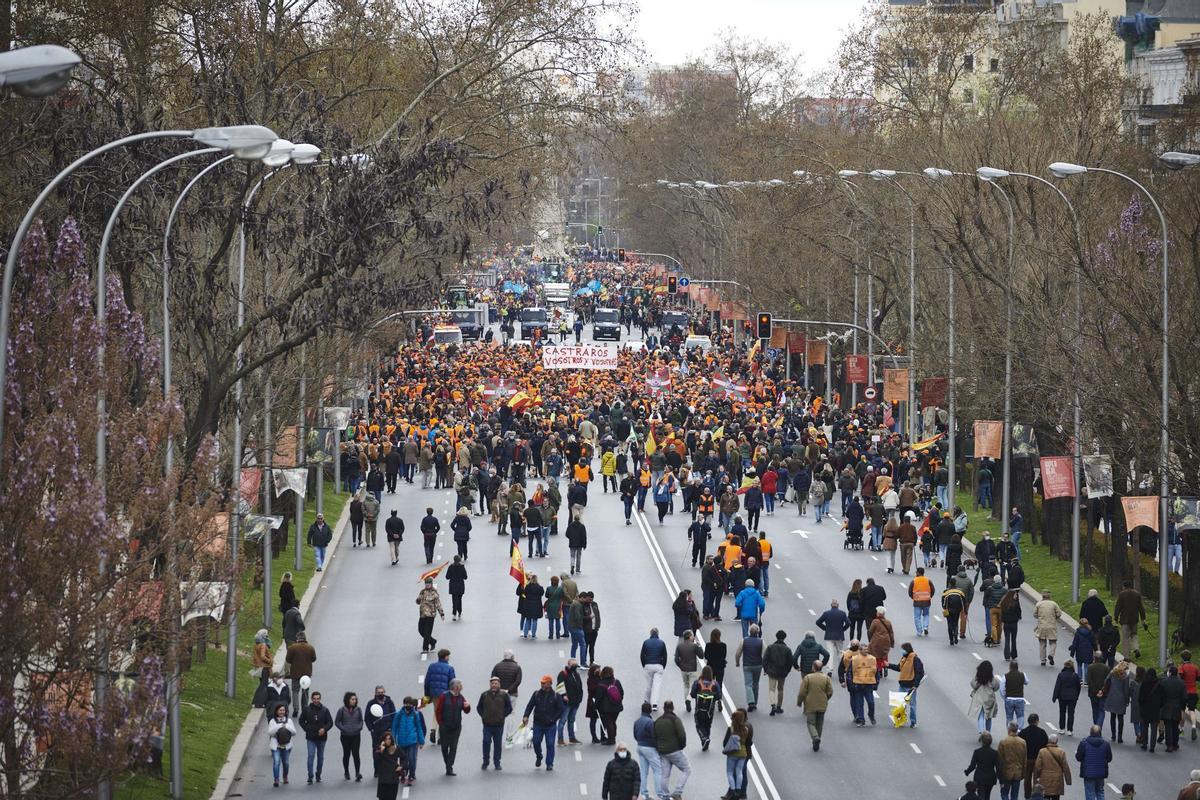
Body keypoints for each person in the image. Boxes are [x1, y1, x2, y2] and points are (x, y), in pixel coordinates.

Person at [523, 675, 566, 771]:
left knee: (550, 744)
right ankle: (539, 756)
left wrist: (553, 719)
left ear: (550, 683)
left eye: (544, 683)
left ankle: (549, 763)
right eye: (541, 683)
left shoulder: (556, 696)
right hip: (538, 724)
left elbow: (561, 710)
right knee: (536, 742)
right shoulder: (536, 694)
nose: (542, 684)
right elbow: (530, 706)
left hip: (550, 725)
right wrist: (526, 716)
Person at [652, 699, 690, 798]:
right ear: (673, 708)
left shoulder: (658, 721)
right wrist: (681, 746)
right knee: (687, 769)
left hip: (662, 752)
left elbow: (654, 737)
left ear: (663, 708)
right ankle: (677, 792)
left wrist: (658, 748)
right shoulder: (675, 720)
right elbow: (682, 735)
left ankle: (665, 795)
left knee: (665, 775)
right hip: (674, 750)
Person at [433, 679, 470, 776]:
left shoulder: (461, 697)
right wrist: (440, 723)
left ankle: (449, 766)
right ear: (454, 686)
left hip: (456, 726)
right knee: (444, 747)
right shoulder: (444, 696)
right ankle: (448, 765)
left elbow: (466, 711)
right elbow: (438, 711)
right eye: (459, 684)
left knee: (453, 747)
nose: (461, 686)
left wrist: (467, 706)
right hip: (445, 726)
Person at [796, 658, 833, 751]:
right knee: (819, 724)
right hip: (822, 704)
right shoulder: (826, 678)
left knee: (811, 723)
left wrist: (799, 702)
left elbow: (802, 692)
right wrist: (825, 698)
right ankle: (817, 740)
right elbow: (830, 691)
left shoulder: (808, 678)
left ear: (813, 667)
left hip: (810, 704)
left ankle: (815, 737)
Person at [477, 676, 512, 770]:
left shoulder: (504, 695)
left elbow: (509, 708)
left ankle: (497, 763)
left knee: (497, 744)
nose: (494, 685)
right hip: (487, 725)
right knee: (486, 742)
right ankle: (485, 761)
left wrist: (502, 715)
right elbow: (479, 707)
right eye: (492, 683)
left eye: (496, 683)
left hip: (499, 725)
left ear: (499, 685)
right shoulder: (484, 695)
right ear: (490, 684)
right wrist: (483, 716)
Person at [422, 648, 455, 744]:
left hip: (434, 694)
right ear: (446, 657)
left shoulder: (432, 666)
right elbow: (452, 683)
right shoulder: (450, 668)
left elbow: (427, 681)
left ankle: (433, 729)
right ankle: (441, 736)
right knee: (443, 714)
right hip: (445, 695)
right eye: (448, 656)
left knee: (436, 711)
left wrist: (427, 695)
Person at [299, 690, 333, 784]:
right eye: (314, 699)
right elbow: (301, 720)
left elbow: (330, 722)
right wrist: (307, 729)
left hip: (322, 738)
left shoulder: (325, 710)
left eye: (318, 699)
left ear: (320, 699)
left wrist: (324, 729)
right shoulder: (307, 709)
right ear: (312, 699)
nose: (316, 701)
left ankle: (318, 775)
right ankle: (310, 776)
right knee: (311, 756)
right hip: (311, 737)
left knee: (320, 757)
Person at [390, 697, 425, 785]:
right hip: (401, 742)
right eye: (406, 704)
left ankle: (412, 775)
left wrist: (421, 741)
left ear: (412, 705)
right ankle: (403, 775)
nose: (408, 706)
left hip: (412, 742)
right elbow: (394, 728)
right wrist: (393, 740)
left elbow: (419, 728)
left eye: (410, 704)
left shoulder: (415, 715)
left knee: (412, 759)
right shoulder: (399, 714)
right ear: (403, 704)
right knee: (403, 761)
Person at [888, 642, 924, 728]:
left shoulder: (915, 659)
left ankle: (913, 722)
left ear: (907, 649)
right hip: (902, 684)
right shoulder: (904, 658)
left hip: (911, 686)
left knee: (912, 705)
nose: (902, 651)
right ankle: (899, 721)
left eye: (903, 649)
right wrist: (888, 665)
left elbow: (919, 673)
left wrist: (915, 686)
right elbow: (899, 668)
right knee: (900, 704)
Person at [721, 709, 753, 800]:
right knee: (740, 772)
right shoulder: (747, 727)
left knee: (730, 772)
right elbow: (749, 742)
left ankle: (732, 791)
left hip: (732, 754)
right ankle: (740, 791)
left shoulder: (731, 728)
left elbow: (725, 742)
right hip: (744, 753)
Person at [1075, 724, 1112, 800]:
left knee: (1090, 793)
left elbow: (1078, 757)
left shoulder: (1084, 743)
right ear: (1100, 733)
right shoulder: (1106, 744)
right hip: (1101, 773)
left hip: (1088, 773)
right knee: (1100, 792)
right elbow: (1109, 758)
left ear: (1090, 732)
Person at [762, 629, 794, 716]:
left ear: (776, 637)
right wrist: (787, 671)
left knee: (771, 689)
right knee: (780, 689)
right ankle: (779, 707)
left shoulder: (770, 647)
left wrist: (766, 669)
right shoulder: (787, 649)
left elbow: (765, 659)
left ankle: (773, 705)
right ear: (784, 638)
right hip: (782, 672)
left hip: (772, 671)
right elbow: (790, 662)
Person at [690, 666, 721, 751]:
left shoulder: (697, 682)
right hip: (709, 710)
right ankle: (706, 739)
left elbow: (692, 694)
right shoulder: (715, 684)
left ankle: (704, 739)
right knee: (708, 725)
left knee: (699, 725)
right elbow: (718, 696)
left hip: (699, 709)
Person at [1032, 732, 1071, 800]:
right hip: (1057, 779)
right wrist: (1068, 780)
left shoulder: (1042, 751)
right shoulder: (1061, 752)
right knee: (1056, 797)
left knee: (1045, 796)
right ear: (1056, 741)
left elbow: (1037, 767)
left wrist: (1036, 778)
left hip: (1045, 778)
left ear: (1048, 741)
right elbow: (1066, 767)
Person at [335, 691, 364, 782]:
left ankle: (357, 772)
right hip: (345, 736)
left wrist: (359, 728)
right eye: (352, 699)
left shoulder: (358, 709)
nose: (354, 701)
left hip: (356, 735)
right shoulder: (342, 710)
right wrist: (343, 729)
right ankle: (346, 772)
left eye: (355, 699)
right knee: (346, 754)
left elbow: (361, 721)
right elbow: (337, 722)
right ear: (348, 700)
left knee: (356, 754)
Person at [285, 632, 316, 717]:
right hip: (306, 674)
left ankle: (296, 709)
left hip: (295, 673)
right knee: (305, 691)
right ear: (305, 638)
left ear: (297, 639)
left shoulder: (292, 648)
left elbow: (288, 659)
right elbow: (313, 659)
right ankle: (305, 709)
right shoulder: (310, 648)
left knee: (295, 691)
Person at [1113, 580, 1146, 659]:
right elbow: (1141, 607)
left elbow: (1118, 607)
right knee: (1134, 635)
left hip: (1125, 619)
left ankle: (1126, 657)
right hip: (1134, 618)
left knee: (1125, 638)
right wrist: (1143, 618)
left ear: (1124, 586)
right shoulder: (1137, 594)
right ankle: (1136, 648)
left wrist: (1116, 618)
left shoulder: (1122, 594)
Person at [735, 624, 764, 713]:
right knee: (756, 684)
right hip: (758, 665)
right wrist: (765, 666)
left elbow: (738, 653)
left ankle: (750, 702)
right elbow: (765, 654)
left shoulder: (744, 640)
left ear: (749, 632)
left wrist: (737, 662)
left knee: (748, 684)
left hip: (747, 665)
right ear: (758, 632)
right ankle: (755, 702)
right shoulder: (761, 641)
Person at [1102, 660, 1133, 743]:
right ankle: (1120, 737)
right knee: (1120, 718)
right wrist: (1127, 700)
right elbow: (1126, 689)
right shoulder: (1125, 676)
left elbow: (1106, 681)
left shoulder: (1112, 673)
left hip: (1111, 696)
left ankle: (1113, 735)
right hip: (1121, 698)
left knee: (1112, 716)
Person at [268, 702, 297, 787]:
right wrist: (279, 726)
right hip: (276, 745)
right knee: (276, 762)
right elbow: (270, 733)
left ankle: (285, 776)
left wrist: (286, 726)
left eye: (283, 710)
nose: (282, 712)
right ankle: (276, 779)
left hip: (286, 746)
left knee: (286, 763)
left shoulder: (289, 721)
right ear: (276, 711)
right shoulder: (272, 721)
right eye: (280, 710)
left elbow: (294, 732)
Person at [1020, 714, 1049, 797]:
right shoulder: (1042, 732)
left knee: (1027, 778)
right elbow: (1046, 746)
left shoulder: (1023, 732)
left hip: (1027, 759)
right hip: (1038, 759)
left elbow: (1021, 746)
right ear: (1036, 721)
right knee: (1037, 778)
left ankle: (1027, 795)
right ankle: (1036, 795)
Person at [675, 631, 704, 712]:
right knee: (693, 687)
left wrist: (680, 666)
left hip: (683, 670)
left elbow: (676, 659)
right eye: (692, 635)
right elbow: (701, 656)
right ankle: (689, 699)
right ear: (689, 637)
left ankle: (686, 702)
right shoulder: (694, 646)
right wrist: (699, 645)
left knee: (686, 686)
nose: (693, 637)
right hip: (692, 669)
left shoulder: (679, 646)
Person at [556, 658, 584, 745]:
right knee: (563, 721)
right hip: (566, 702)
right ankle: (560, 739)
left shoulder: (576, 674)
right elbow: (559, 686)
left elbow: (580, 686)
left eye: (576, 665)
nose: (575, 667)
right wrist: (564, 696)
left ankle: (572, 738)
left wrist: (580, 698)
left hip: (575, 702)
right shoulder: (563, 674)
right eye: (573, 665)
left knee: (571, 720)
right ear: (568, 665)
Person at [1160, 663, 1187, 752]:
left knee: (1168, 727)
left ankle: (1169, 745)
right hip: (1177, 707)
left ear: (1170, 672)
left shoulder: (1164, 682)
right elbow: (1184, 697)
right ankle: (1175, 744)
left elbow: (1161, 695)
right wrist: (1182, 707)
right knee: (1175, 726)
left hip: (1167, 707)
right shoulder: (1181, 683)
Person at [965, 732, 999, 800]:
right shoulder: (995, 753)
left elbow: (973, 766)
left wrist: (967, 772)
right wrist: (1001, 779)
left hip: (979, 778)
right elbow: (998, 767)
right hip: (990, 778)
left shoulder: (977, 752)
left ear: (982, 741)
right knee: (987, 796)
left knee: (981, 796)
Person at [639, 627, 667, 709]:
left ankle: (646, 701)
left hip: (648, 665)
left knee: (648, 684)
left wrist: (644, 665)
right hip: (658, 665)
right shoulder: (662, 643)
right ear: (658, 634)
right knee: (656, 685)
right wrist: (663, 666)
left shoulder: (646, 642)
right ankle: (654, 704)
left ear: (650, 634)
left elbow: (642, 655)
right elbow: (665, 656)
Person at [997, 722, 1027, 800]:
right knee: (1014, 795)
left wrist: (999, 775)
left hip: (1006, 772)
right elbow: (1024, 759)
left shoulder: (1003, 742)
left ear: (1009, 729)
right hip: (1018, 772)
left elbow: (1000, 759)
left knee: (1004, 793)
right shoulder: (1022, 742)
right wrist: (1023, 773)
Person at [364, 686, 396, 758]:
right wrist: (371, 729)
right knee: (377, 751)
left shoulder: (389, 702)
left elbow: (394, 715)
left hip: (388, 731)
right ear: (375, 693)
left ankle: (389, 768)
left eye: (382, 692)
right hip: (376, 732)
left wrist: (391, 727)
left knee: (389, 751)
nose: (380, 694)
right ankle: (377, 768)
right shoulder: (371, 703)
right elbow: (367, 718)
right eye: (378, 693)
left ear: (384, 692)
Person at [970, 660, 1000, 734]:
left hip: (979, 697)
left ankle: (981, 731)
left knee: (980, 715)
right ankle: (988, 732)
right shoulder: (992, 679)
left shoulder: (978, 678)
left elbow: (973, 684)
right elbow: (996, 687)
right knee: (989, 716)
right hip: (989, 698)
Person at [373, 732, 406, 800]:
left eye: (389, 739)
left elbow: (404, 758)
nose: (388, 741)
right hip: (383, 780)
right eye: (386, 739)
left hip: (393, 779)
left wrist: (401, 766)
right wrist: (381, 750)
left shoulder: (396, 748)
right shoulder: (380, 749)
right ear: (383, 740)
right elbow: (376, 760)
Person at [416, 576, 444, 652]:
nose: (427, 585)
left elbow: (438, 604)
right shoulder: (422, 591)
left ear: (431, 584)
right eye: (426, 584)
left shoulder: (434, 593)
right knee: (421, 630)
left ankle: (425, 648)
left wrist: (441, 613)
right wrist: (418, 600)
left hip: (431, 615)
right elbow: (418, 601)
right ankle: (432, 641)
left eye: (429, 583)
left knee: (427, 631)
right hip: (422, 614)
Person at [1034, 591, 1062, 667]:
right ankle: (1051, 654)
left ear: (1042, 597)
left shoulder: (1039, 604)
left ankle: (1043, 660)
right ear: (1050, 597)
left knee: (1042, 643)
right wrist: (1054, 617)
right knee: (1053, 642)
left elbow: (1035, 614)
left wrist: (1040, 618)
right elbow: (1059, 614)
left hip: (1041, 626)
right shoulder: (1054, 604)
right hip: (1051, 626)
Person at [909, 567, 935, 636]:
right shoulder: (928, 580)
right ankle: (925, 627)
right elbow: (933, 590)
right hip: (927, 601)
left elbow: (910, 592)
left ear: (918, 573)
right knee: (926, 615)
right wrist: (929, 596)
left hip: (917, 601)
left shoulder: (914, 581)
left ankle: (919, 631)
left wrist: (914, 597)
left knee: (917, 617)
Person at [1001, 661, 1028, 729]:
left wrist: (1004, 697)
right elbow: (1027, 682)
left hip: (1009, 699)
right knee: (1020, 716)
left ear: (1009, 667)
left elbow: (1002, 689)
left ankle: (1010, 731)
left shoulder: (1005, 676)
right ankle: (1019, 731)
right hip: (1020, 699)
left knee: (1009, 717)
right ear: (1017, 667)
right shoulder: (1022, 674)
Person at [445, 555, 467, 620]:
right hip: (460, 586)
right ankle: (459, 612)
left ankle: (454, 614)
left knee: (454, 600)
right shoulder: (462, 567)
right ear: (460, 560)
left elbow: (447, 577)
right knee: (459, 600)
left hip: (453, 586)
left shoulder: (451, 567)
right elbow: (465, 577)